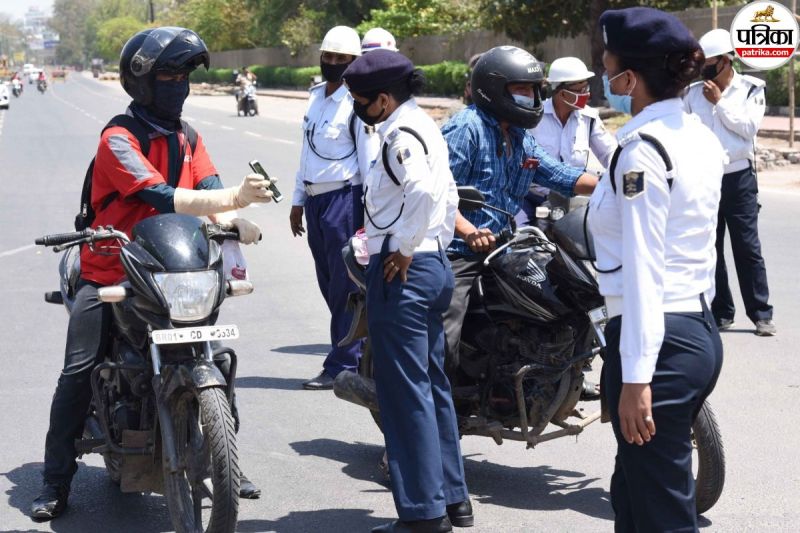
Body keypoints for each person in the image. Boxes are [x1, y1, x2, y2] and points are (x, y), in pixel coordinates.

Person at [31, 27, 272, 520]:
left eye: (183, 75)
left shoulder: (188, 136)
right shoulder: (117, 139)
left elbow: (207, 186)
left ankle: (225, 460)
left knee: (217, 358)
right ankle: (55, 481)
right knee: (79, 370)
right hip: (110, 269)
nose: (178, 84)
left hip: (174, 268)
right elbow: (161, 197)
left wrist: (232, 220)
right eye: (168, 74)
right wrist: (231, 201)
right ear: (140, 81)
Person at [589, 8, 725, 531]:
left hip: (658, 343)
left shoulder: (642, 151)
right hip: (694, 328)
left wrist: (637, 378)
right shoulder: (695, 135)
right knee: (632, 496)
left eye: (608, 67)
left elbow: (646, 267)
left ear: (632, 77)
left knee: (663, 514)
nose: (605, 77)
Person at [343, 49, 471, 533]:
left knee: (404, 395)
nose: (357, 108)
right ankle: (454, 499)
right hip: (434, 266)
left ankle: (423, 515)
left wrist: (404, 247)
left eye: (360, 100)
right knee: (432, 386)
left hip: (406, 272)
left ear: (382, 98)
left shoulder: (400, 134)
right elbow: (448, 192)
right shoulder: (426, 125)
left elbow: (420, 190)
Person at [441, 46, 598, 377]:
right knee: (443, 338)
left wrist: (619, 185)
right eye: (522, 89)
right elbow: (438, 192)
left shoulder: (519, 136)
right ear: (494, 90)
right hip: (460, 252)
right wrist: (468, 231)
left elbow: (561, 175)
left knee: (566, 294)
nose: (531, 96)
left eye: (534, 90)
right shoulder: (466, 128)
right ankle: (435, 401)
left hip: (504, 245)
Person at [291, 25, 375, 390]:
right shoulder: (314, 97)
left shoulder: (357, 103)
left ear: (355, 62)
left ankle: (343, 364)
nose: (334, 63)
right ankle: (354, 350)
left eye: (343, 59)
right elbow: (306, 152)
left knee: (345, 284)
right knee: (328, 282)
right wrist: (297, 201)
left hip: (344, 197)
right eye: (329, 57)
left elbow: (368, 161)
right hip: (315, 199)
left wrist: (371, 214)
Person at [684, 28, 775, 336]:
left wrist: (720, 102)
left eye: (710, 62)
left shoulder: (751, 89)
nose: (704, 68)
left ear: (725, 61)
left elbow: (748, 128)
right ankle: (722, 312)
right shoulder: (692, 94)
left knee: (747, 247)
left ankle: (761, 314)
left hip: (739, 177)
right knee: (711, 247)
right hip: (703, 178)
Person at [519, 56, 617, 223]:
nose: (586, 95)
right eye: (579, 91)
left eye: (586, 88)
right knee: (521, 239)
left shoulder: (589, 118)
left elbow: (611, 154)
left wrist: (619, 173)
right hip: (532, 200)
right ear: (561, 92)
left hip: (573, 201)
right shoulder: (534, 117)